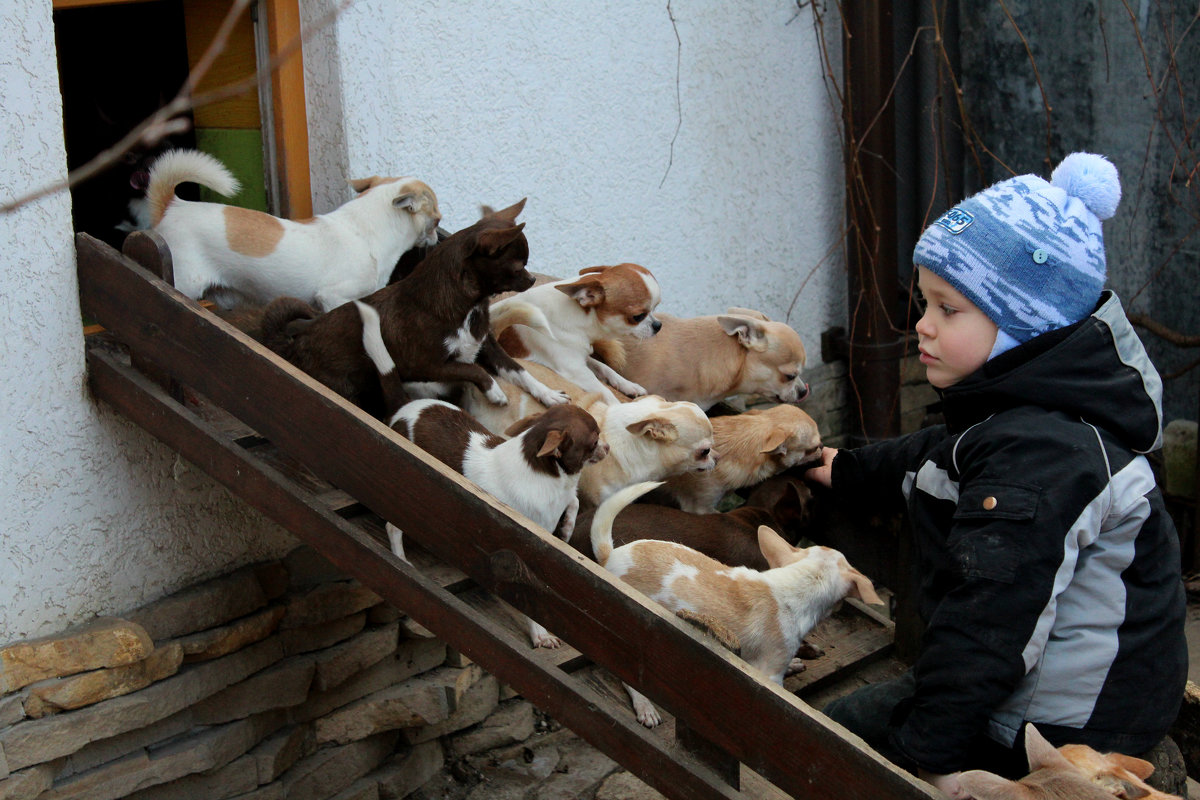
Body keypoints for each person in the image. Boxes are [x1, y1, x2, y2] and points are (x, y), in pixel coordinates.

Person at [805, 152, 1187, 798]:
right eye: (924, 301)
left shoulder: (1043, 459)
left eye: (947, 309)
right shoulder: (1031, 410)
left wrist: (926, 756)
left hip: (1066, 723)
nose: (921, 325)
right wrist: (836, 467)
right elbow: (935, 455)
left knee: (822, 738)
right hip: (1082, 686)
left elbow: (990, 620)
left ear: (1020, 325)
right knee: (859, 714)